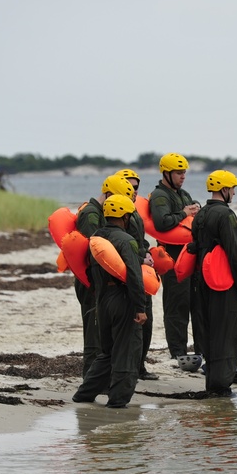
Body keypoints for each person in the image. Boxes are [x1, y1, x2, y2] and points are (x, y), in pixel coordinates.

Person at [72, 195, 147, 407]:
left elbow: (89, 271)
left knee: (106, 353)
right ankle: (118, 401)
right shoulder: (125, 240)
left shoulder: (96, 238)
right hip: (122, 300)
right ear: (124, 217)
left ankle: (84, 394)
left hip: (102, 300)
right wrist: (140, 307)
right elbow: (134, 274)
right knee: (127, 350)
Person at [189, 170, 237, 396]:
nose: (234, 193)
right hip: (221, 284)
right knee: (226, 333)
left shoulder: (200, 215)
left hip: (200, 283)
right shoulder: (225, 216)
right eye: (233, 188)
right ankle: (221, 387)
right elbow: (235, 251)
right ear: (224, 189)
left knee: (208, 331)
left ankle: (211, 383)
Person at [73, 174, 136, 380]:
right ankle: (90, 380)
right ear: (108, 194)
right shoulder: (91, 214)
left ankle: (101, 379)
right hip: (91, 281)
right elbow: (94, 249)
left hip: (101, 281)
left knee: (103, 332)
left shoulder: (101, 212)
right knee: (93, 333)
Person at [149, 153, 201, 359]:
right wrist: (185, 213)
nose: (183, 176)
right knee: (176, 309)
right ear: (167, 173)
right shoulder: (161, 195)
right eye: (179, 173)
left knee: (196, 306)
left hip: (189, 258)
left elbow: (190, 216)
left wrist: (196, 210)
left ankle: (199, 349)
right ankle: (177, 352)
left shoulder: (184, 194)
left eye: (184, 173)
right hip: (172, 260)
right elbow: (162, 222)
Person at [116, 168, 158, 381]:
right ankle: (132, 368)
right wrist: (140, 259)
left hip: (143, 269)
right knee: (136, 321)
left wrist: (148, 252)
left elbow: (140, 241)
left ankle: (140, 366)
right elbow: (120, 246)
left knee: (147, 322)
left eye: (135, 188)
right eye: (129, 187)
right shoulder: (115, 215)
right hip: (131, 272)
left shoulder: (133, 212)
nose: (132, 191)